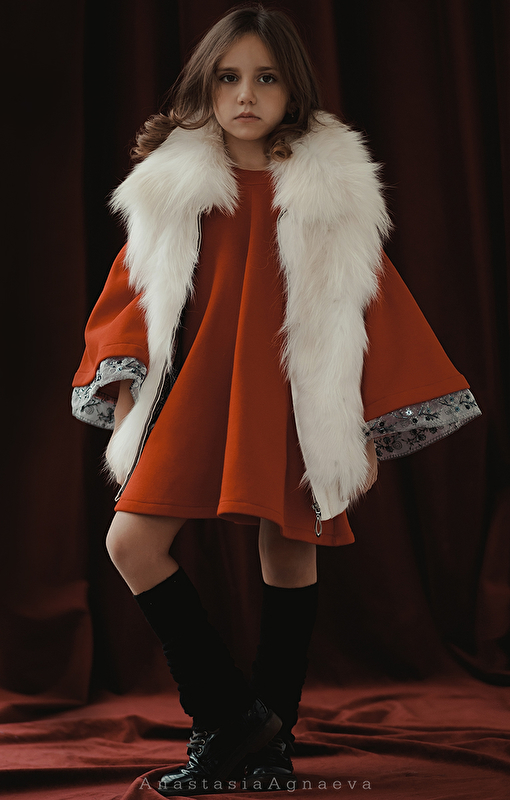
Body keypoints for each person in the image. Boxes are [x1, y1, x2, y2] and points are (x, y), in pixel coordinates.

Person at [72, 4, 481, 795]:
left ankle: (270, 744)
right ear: (206, 86)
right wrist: (125, 397)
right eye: (228, 78)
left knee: (289, 551)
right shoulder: (172, 187)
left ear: (293, 89)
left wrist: (360, 428)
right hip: (195, 392)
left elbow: (371, 305)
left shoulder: (328, 192)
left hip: (294, 397)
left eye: (265, 78)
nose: (245, 95)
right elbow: (132, 298)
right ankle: (228, 714)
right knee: (132, 544)